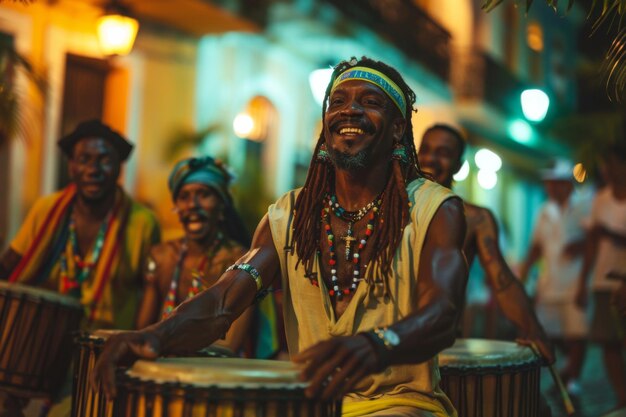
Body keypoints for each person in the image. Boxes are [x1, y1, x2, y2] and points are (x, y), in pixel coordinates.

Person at [93, 57, 468, 417]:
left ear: (398, 129)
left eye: (370, 103)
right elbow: (224, 299)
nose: (349, 110)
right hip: (309, 403)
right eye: (338, 102)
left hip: (400, 404)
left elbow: (442, 314)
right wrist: (157, 335)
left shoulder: (434, 210)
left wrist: (380, 344)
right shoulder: (289, 216)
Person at [0, 119, 160, 416]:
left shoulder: (142, 222)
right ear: (71, 165)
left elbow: (150, 292)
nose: (93, 170)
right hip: (41, 351)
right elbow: (10, 265)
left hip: (105, 353)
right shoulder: (47, 210)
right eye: (83, 159)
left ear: (119, 167)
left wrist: (132, 351)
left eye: (104, 160)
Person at [416, 124, 554, 364]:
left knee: (536, 403)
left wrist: (534, 331)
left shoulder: (476, 219)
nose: (430, 159)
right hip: (392, 346)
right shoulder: (395, 209)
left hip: (444, 344)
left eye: (443, 153)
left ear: (459, 166)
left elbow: (502, 282)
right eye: (425, 150)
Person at [134, 156, 253, 355]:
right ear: (177, 207)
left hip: (214, 376)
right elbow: (142, 331)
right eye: (184, 197)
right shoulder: (161, 257)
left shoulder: (240, 263)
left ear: (222, 205)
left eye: (204, 194)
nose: (192, 205)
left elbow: (228, 348)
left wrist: (163, 342)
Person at [519, 159, 589, 394]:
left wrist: (582, 245)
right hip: (550, 282)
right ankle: (569, 368)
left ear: (566, 184)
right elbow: (536, 246)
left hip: (577, 281)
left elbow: (595, 239)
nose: (550, 187)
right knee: (549, 333)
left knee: (577, 333)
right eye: (549, 183)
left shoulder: (584, 205)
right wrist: (524, 271)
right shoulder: (544, 211)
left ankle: (572, 378)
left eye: (555, 183)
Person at [575, 144, 626, 408]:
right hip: (603, 280)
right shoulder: (601, 199)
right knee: (609, 342)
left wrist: (613, 234)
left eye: (611, 164)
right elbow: (592, 243)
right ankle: (621, 395)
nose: (606, 170)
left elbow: (603, 234)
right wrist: (583, 281)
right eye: (604, 165)